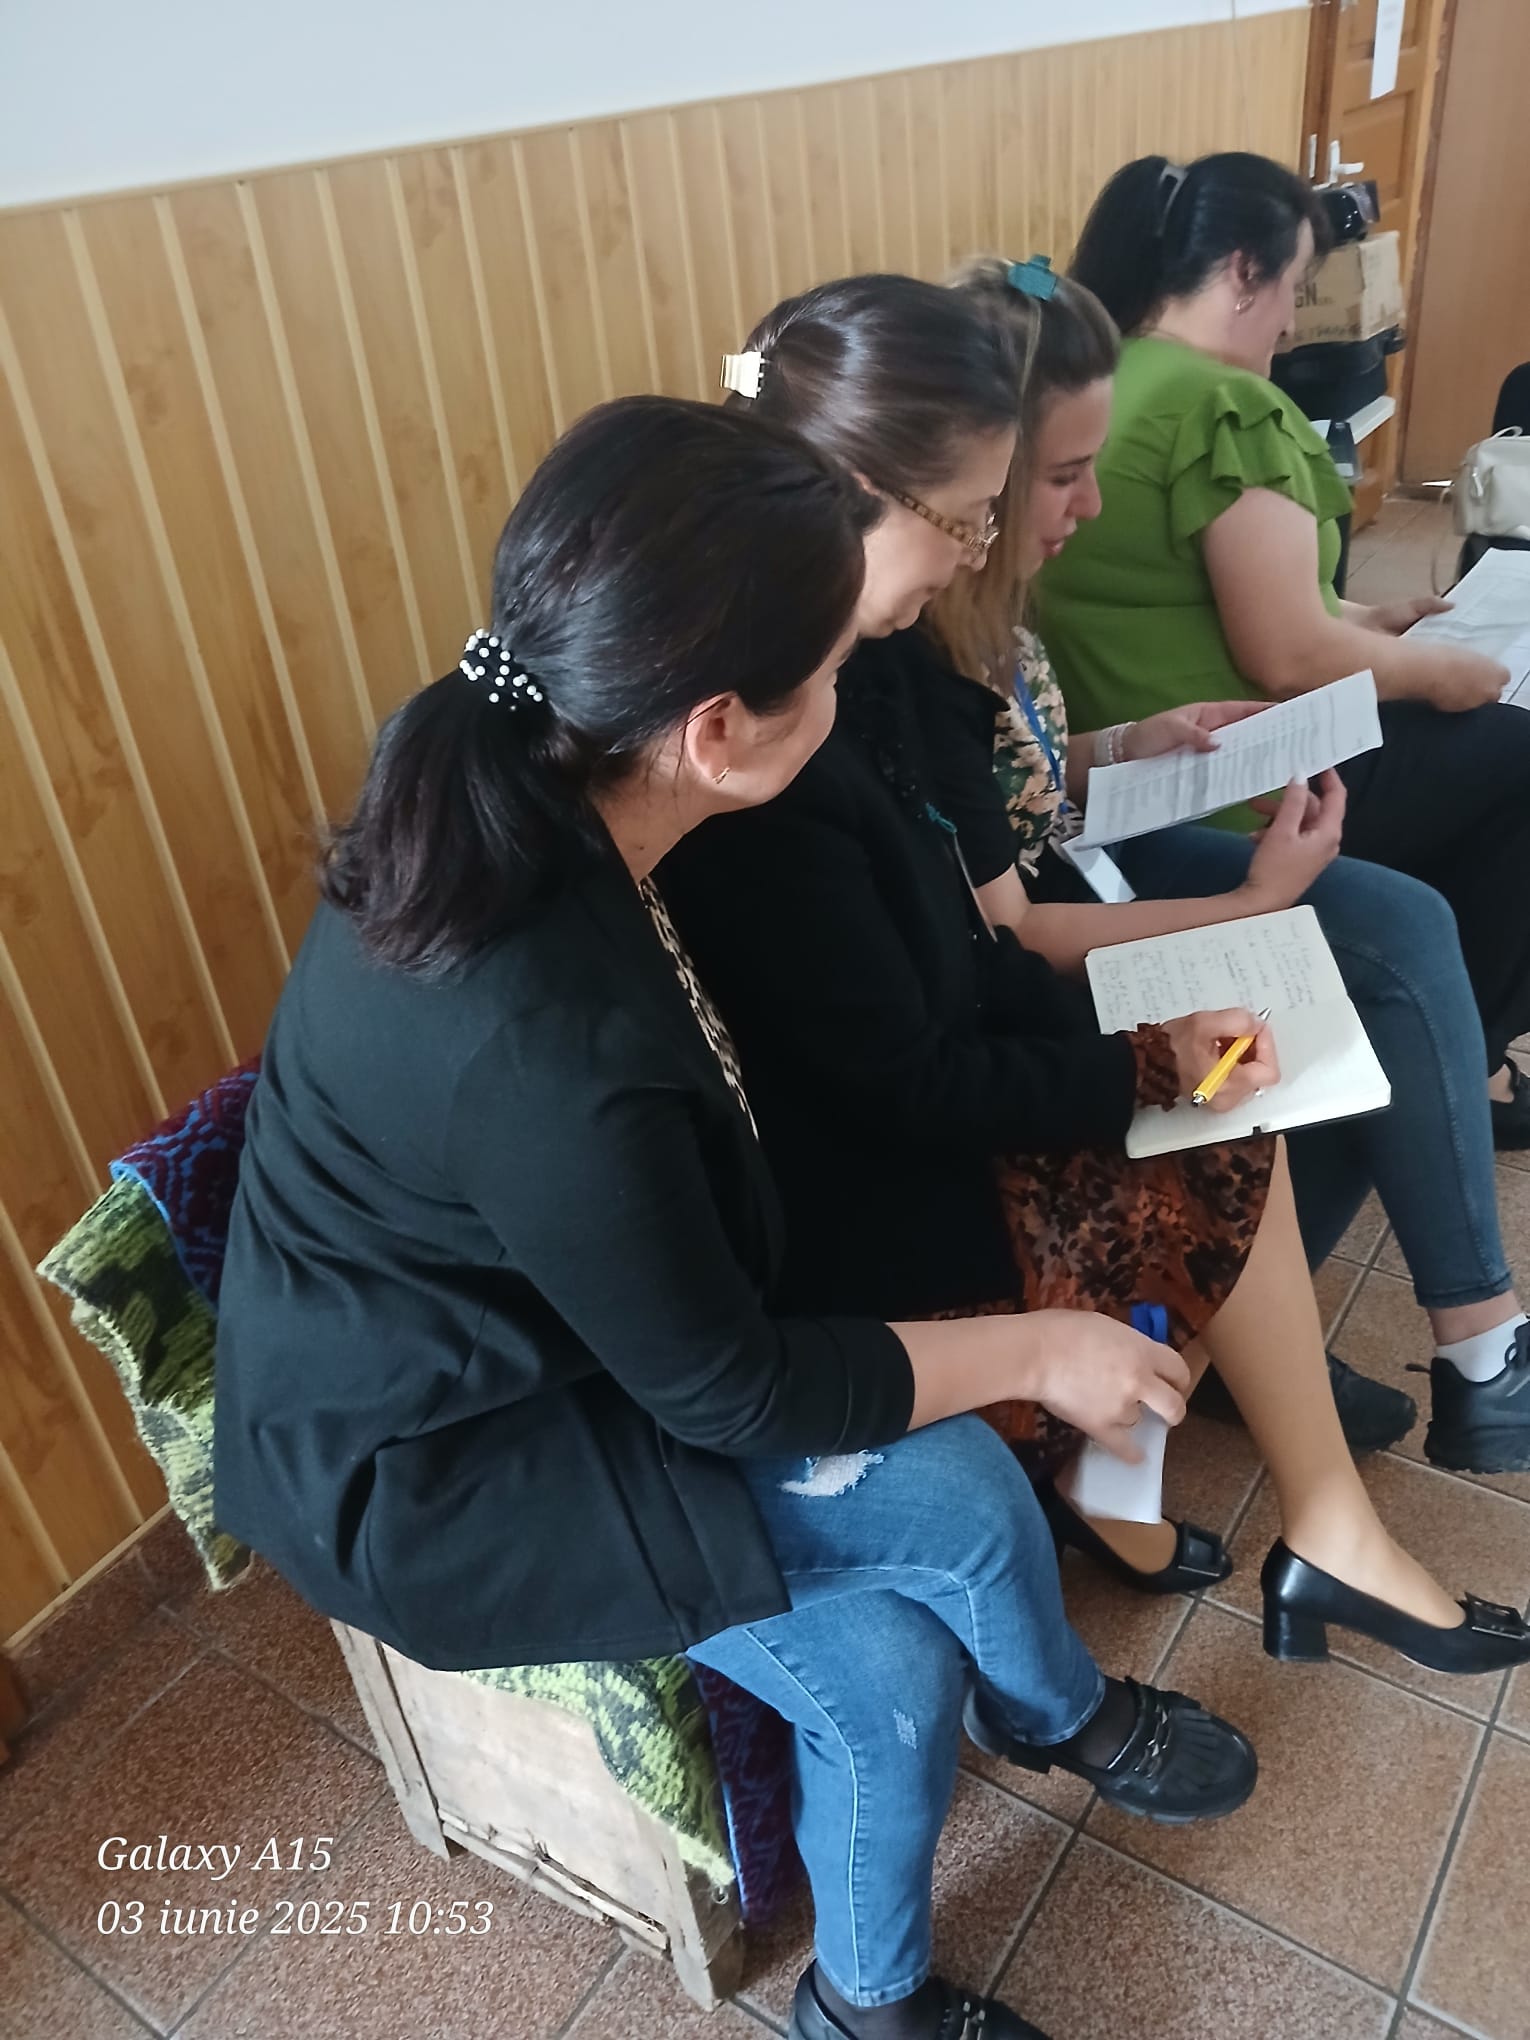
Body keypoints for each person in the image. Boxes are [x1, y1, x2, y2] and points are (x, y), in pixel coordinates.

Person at [212, 397, 1261, 2040]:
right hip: (442, 1466)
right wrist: (1039, 1347)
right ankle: (930, 1907)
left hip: (561, 1330)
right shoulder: (550, 1048)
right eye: (829, 669)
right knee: (940, 1559)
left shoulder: (522, 750)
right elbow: (725, 1387)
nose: (850, 690)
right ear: (716, 730)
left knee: (930, 1576)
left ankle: (1003, 1776)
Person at [658, 277, 1530, 1680]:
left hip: (920, 1088)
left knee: (1241, 1058)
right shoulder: (783, 738)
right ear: (859, 496)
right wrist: (1148, 1057)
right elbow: (914, 1068)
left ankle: (1241, 1501)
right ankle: (1230, 1496)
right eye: (977, 514)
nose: (994, 544)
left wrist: (1169, 1028)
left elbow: (968, 954)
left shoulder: (872, 665)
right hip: (867, 1196)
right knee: (1224, 1088)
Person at [923, 253, 1530, 1479]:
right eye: (1064, 476)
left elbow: (1019, 785)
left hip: (1086, 854)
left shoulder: (989, 606)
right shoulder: (919, 651)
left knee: (1395, 936)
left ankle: (1435, 1343)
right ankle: (1389, 1347)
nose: (1090, 506)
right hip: (1051, 921)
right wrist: (1251, 900)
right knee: (1318, 1000)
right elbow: (1009, 925)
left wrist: (1128, 744)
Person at [1035, 150, 1530, 1151]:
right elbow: (1287, 656)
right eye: (1295, 289)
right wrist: (1452, 674)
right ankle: (1458, 1061)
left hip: (1116, 760)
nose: (1294, 325)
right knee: (1513, 751)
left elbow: (1201, 595)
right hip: (1235, 781)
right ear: (1243, 271)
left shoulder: (1095, 382)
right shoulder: (1228, 406)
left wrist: (1362, 619)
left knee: (1465, 749)